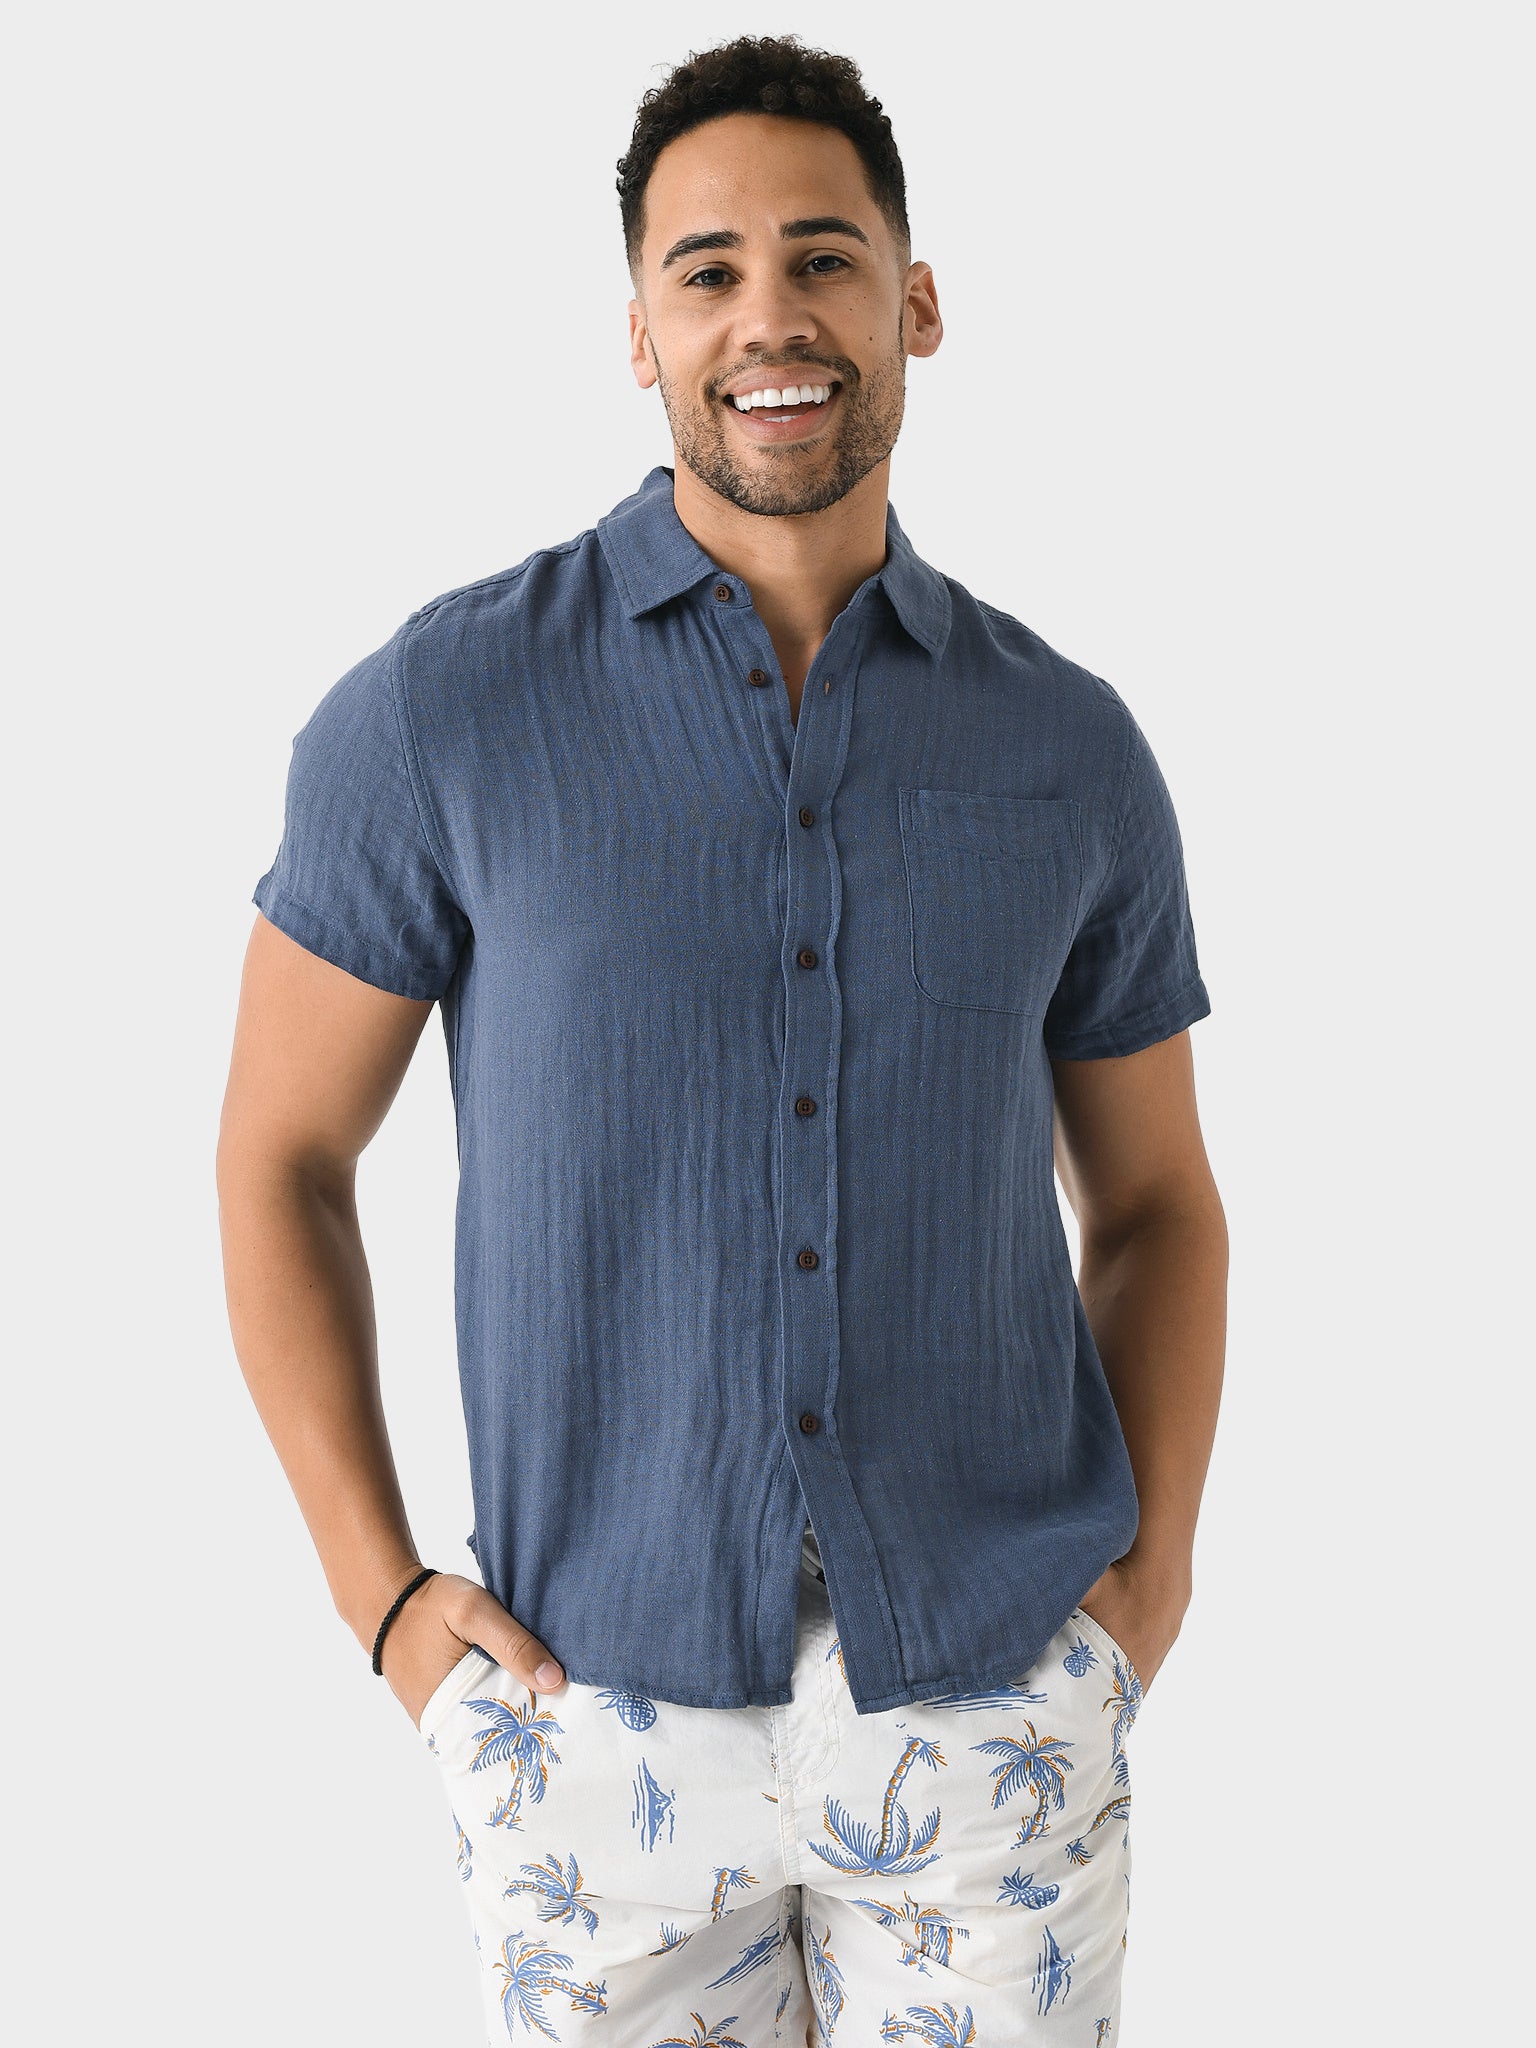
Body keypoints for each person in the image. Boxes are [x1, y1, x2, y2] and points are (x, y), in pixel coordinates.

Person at [217, 32, 1227, 2045]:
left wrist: (1145, 1599)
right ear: (640, 334)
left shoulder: (1070, 748)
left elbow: (1159, 1205)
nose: (772, 316)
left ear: (915, 302)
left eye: (824, 258)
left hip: (991, 1714)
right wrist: (387, 1604)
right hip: (587, 1720)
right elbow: (279, 1157)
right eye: (709, 271)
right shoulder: (439, 714)